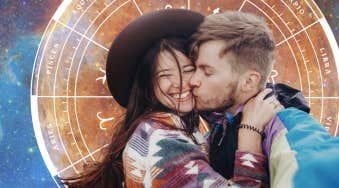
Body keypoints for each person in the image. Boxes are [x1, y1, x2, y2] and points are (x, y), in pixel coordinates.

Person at [61, 9, 282, 188]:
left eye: (188, 69)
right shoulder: (163, 141)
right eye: (165, 75)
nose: (181, 83)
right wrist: (250, 132)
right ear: (149, 85)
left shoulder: (170, 129)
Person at [189, 11, 310, 179]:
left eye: (207, 72)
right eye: (194, 69)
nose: (193, 80)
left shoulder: (287, 129)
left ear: (248, 82)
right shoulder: (221, 123)